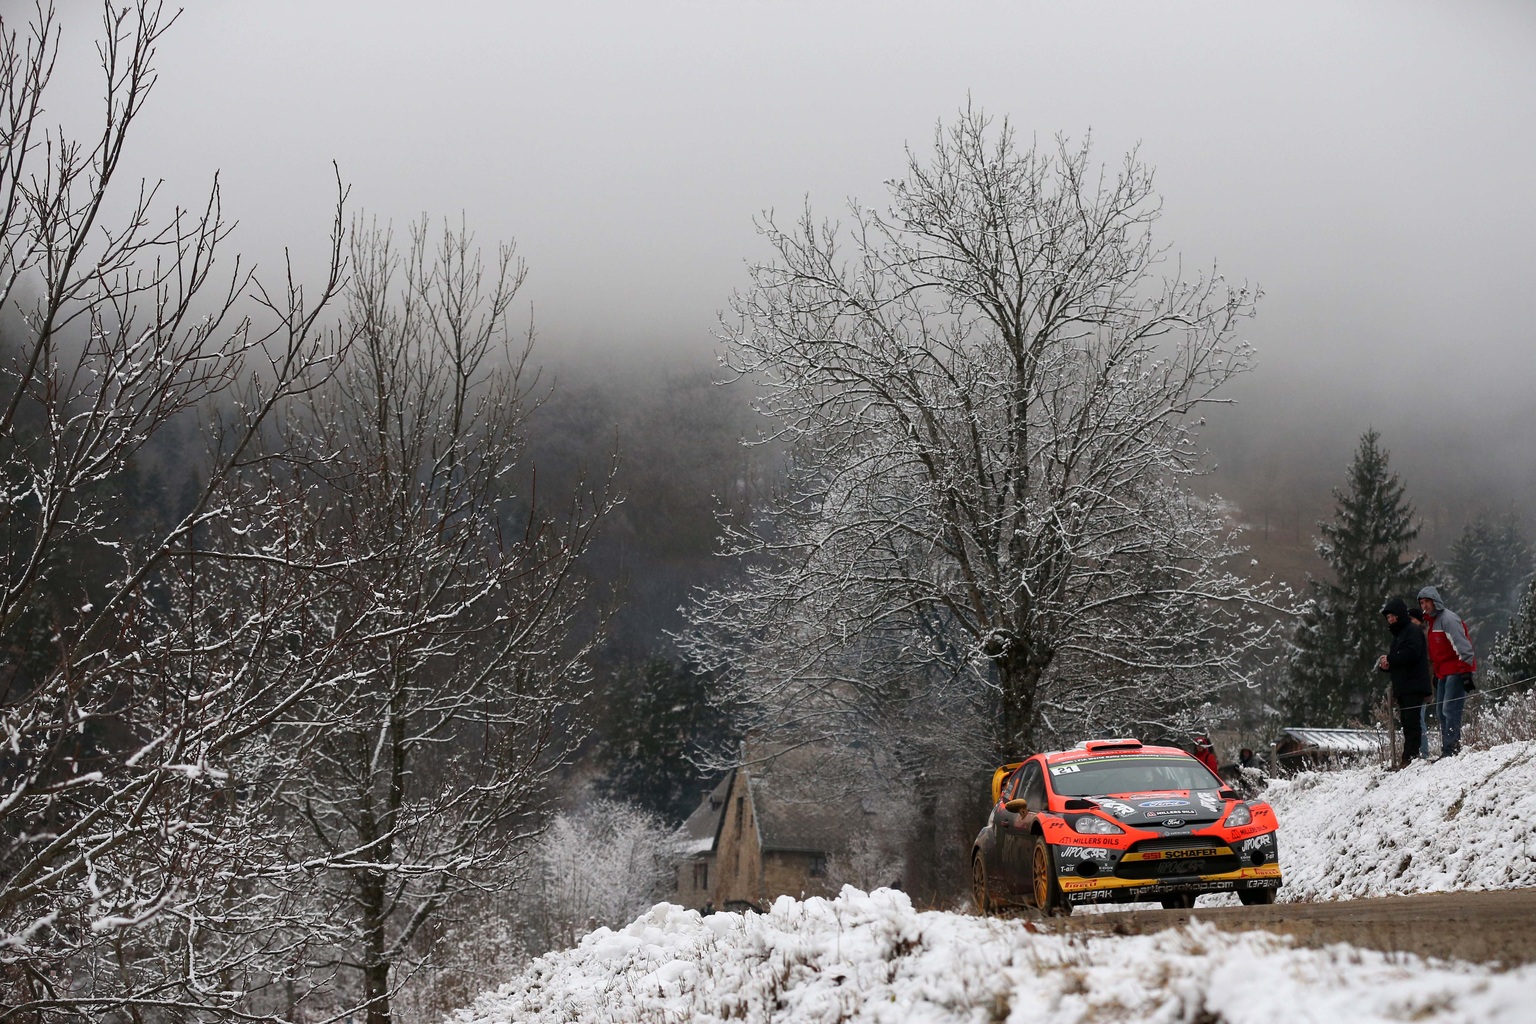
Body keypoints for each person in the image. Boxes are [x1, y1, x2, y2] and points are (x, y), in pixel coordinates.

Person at [1417, 586, 1477, 757]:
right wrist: (1436, 673)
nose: (1424, 606)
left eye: (1427, 601)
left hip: (1457, 670)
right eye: (1422, 603)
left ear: (1435, 601)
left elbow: (1463, 645)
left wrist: (1465, 671)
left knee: (1450, 709)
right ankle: (1447, 748)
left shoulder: (1448, 619)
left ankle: (1452, 748)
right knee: (1440, 712)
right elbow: (1437, 652)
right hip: (1443, 671)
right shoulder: (1432, 623)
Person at [1376, 597, 1433, 768]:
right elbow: (1400, 659)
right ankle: (1408, 757)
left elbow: (1411, 654)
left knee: (1412, 723)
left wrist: (1391, 659)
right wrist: (1387, 665)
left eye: (1393, 616)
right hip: (1404, 687)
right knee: (1407, 724)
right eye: (1388, 618)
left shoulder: (1412, 631)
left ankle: (1411, 757)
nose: (1391, 619)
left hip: (1413, 685)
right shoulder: (1399, 636)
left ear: (1400, 614)